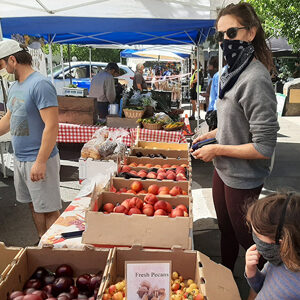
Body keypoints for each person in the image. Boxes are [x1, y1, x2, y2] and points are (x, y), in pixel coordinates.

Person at [191, 2, 279, 273]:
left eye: (231, 33)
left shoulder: (255, 78)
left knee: (249, 241)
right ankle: (225, 276)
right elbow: (233, 122)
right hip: (224, 171)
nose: (225, 41)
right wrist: (210, 136)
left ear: (250, 33)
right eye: (220, 35)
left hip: (243, 178)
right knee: (225, 231)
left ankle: (271, 283)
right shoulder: (230, 73)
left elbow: (264, 146)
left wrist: (217, 150)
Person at [0, 39, 61, 242]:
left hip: (39, 158)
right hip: (21, 159)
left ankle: (57, 250)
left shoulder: (40, 84)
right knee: (34, 204)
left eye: (1, 65)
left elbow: (51, 125)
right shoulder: (15, 86)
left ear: (12, 60)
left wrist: (41, 161)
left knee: (49, 208)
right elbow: (10, 118)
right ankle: (42, 240)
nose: (2, 70)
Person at [245, 193, 300, 299]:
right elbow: (261, 286)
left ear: (283, 242)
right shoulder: (278, 259)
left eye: (257, 235)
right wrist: (251, 271)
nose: (255, 239)